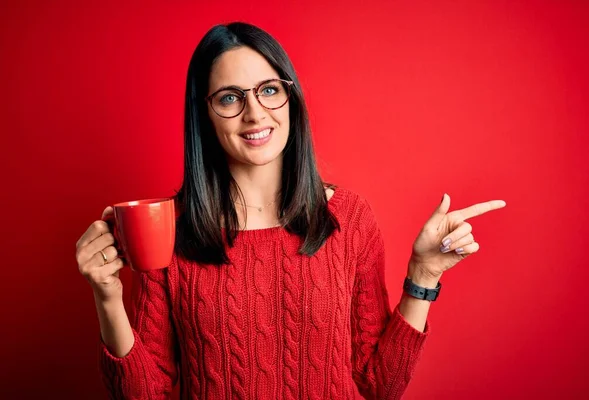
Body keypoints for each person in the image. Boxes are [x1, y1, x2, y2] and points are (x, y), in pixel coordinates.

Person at [75, 22, 506, 399]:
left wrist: (424, 275)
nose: (255, 112)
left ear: (290, 97)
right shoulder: (169, 228)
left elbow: (380, 385)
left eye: (268, 90)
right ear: (204, 115)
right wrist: (107, 294)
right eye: (229, 98)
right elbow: (141, 394)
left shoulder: (349, 218)